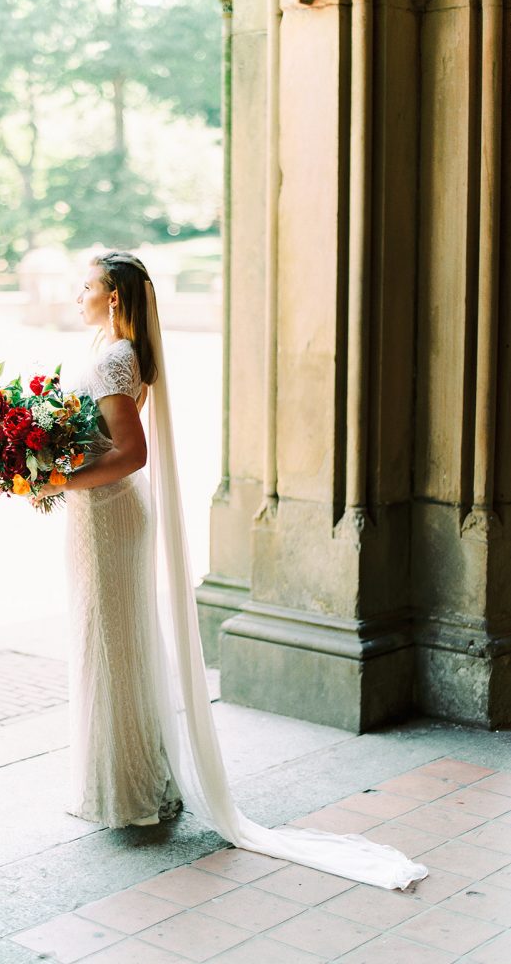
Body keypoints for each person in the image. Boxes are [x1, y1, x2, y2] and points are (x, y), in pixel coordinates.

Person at [34, 250, 429, 891]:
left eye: (87, 286)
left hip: (108, 517)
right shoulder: (112, 350)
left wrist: (56, 476)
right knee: (110, 646)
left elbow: (130, 455)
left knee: (113, 647)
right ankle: (128, 778)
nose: (76, 293)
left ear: (114, 298)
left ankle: (127, 788)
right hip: (95, 517)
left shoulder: (114, 358)